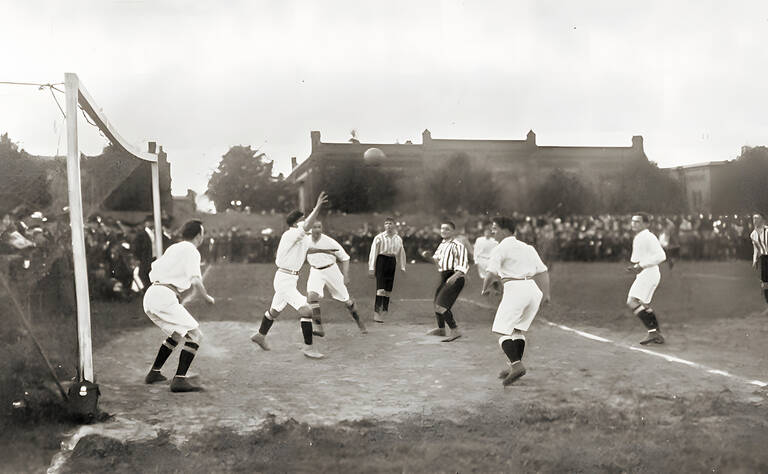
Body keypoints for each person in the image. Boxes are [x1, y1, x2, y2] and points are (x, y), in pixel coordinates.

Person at [250, 192, 335, 359]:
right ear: (297, 223)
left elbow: (307, 248)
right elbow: (308, 225)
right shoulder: (291, 234)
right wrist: (317, 206)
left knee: (274, 311)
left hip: (288, 279)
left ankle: (260, 336)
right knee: (307, 311)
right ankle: (308, 348)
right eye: (302, 220)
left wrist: (324, 250)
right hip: (285, 280)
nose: (306, 222)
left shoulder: (299, 237)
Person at [142, 219, 215, 392]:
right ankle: (179, 380)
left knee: (176, 334)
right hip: (164, 296)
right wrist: (206, 297)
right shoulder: (192, 250)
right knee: (196, 335)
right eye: (202, 233)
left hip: (152, 295)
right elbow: (196, 280)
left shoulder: (174, 247)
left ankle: (154, 373)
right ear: (199, 235)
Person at [482, 216, 550, 386]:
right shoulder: (527, 247)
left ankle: (516, 365)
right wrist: (546, 294)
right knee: (517, 330)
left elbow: (490, 274)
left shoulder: (500, 248)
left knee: (501, 330)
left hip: (516, 289)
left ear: (505, 230)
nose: (493, 231)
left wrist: (484, 289)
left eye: (495, 228)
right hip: (533, 290)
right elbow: (543, 271)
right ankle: (513, 366)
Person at [306, 221, 367, 337]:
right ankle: (319, 328)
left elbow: (345, 258)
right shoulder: (305, 241)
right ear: (310, 229)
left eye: (319, 227)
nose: (317, 229)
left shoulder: (329, 241)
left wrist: (346, 275)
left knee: (347, 301)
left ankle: (359, 321)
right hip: (315, 271)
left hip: (331, 271)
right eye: (314, 227)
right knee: (312, 296)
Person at [626, 212, 667, 345]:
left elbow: (661, 256)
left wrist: (641, 265)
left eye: (637, 221)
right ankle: (656, 333)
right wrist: (636, 267)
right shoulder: (640, 237)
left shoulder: (648, 237)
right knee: (643, 304)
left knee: (632, 301)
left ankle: (653, 332)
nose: (634, 224)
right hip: (647, 273)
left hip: (649, 273)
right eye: (633, 221)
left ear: (646, 224)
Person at [426, 221, 469, 342]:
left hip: (455, 277)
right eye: (442, 229)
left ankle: (455, 330)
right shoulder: (442, 244)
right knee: (436, 303)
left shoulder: (457, 245)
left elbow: (463, 264)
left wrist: (455, 276)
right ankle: (441, 329)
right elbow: (437, 262)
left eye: (447, 229)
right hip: (444, 276)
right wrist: (428, 256)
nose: (443, 231)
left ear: (453, 232)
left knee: (441, 305)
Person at [367, 217, 406, 323]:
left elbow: (401, 253)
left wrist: (402, 266)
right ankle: (376, 313)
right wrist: (371, 268)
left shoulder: (398, 239)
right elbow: (373, 252)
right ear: (384, 226)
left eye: (390, 223)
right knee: (381, 288)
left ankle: (385, 310)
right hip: (382, 260)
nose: (388, 225)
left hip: (391, 261)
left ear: (394, 225)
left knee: (388, 289)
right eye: (386, 223)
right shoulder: (379, 237)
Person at [749, 212, 768, 307]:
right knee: (764, 282)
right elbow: (756, 248)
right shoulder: (753, 235)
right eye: (754, 218)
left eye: (757, 218)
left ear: (762, 220)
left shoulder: (767, 231)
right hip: (764, 258)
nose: (755, 220)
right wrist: (754, 260)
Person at [473, 226, 498, 294]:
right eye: (486, 232)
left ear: (491, 233)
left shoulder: (494, 241)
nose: (487, 233)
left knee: (489, 274)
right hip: (481, 259)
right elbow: (476, 250)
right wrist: (475, 259)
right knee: (484, 275)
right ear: (484, 232)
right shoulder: (479, 240)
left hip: (489, 260)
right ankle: (489, 289)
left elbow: (496, 251)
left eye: (489, 232)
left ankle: (491, 289)